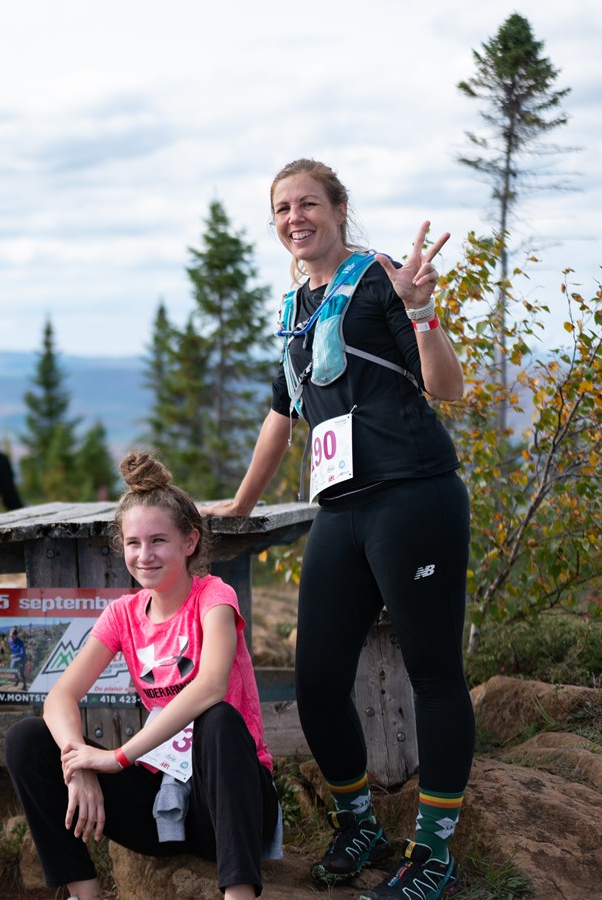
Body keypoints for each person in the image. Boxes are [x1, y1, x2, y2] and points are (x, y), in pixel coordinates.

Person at [204, 159, 472, 900]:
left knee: (432, 673)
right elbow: (279, 416)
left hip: (412, 495)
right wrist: (237, 503)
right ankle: (357, 823)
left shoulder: (382, 276)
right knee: (317, 681)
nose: (295, 217)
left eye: (308, 203)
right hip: (342, 509)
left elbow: (445, 388)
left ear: (338, 208)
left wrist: (421, 313)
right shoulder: (295, 306)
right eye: (282, 208)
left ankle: (434, 853)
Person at [5, 451, 279, 900]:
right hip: (162, 806)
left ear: (189, 542)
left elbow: (209, 685)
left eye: (158, 541)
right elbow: (60, 697)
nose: (144, 555)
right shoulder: (122, 614)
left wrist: (116, 758)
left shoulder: (214, 597)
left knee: (219, 719)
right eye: (133, 543)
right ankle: (84, 893)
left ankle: (239, 894)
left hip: (227, 802)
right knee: (28, 740)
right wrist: (80, 767)